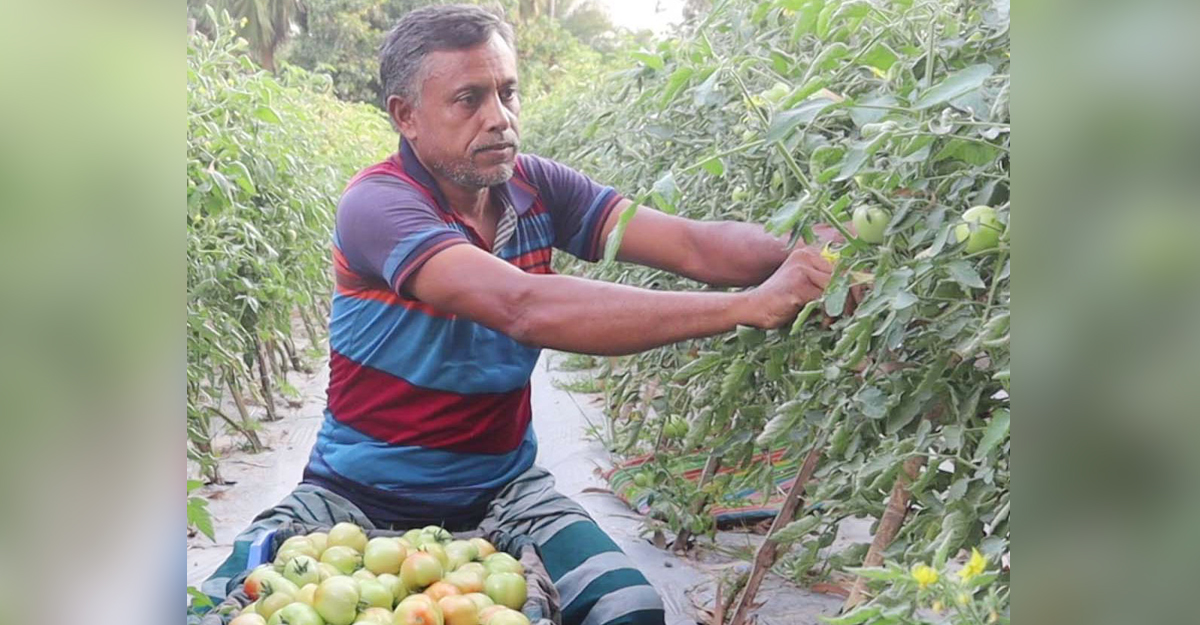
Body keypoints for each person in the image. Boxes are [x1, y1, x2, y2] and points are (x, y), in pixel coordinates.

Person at [202, 5, 838, 625]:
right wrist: (750, 307)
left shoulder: (537, 187)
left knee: (630, 607)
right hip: (353, 499)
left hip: (505, 493)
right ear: (406, 116)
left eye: (508, 93)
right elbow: (523, 305)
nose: (499, 118)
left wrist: (810, 249)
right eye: (469, 99)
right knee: (209, 605)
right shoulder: (377, 205)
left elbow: (694, 244)